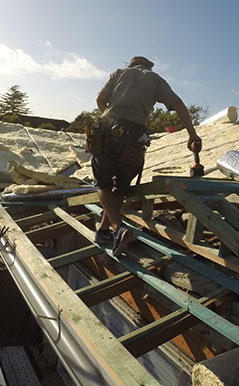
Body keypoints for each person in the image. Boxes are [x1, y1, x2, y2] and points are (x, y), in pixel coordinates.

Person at [91, 56, 202, 254]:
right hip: (135, 136)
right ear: (148, 67)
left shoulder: (119, 73)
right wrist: (192, 134)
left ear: (131, 65)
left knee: (103, 183)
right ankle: (104, 230)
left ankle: (117, 229)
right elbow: (177, 104)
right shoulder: (155, 80)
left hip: (108, 131)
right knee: (121, 185)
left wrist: (109, 118)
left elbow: (100, 99)